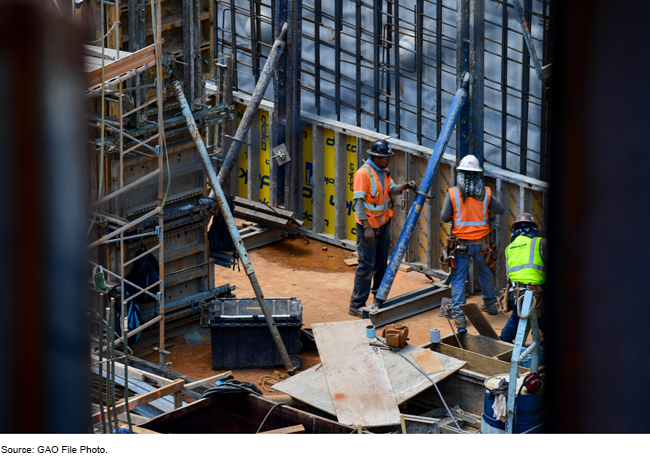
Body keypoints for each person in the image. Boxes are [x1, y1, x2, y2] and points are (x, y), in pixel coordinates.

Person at [348, 140, 415, 317]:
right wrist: (366, 227)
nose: (389, 160)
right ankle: (356, 304)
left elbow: (390, 189)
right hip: (368, 226)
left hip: (382, 225)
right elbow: (359, 203)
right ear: (376, 157)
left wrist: (404, 186)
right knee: (366, 265)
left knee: (380, 263)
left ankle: (378, 298)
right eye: (386, 158)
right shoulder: (363, 174)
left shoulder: (383, 171)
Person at [440, 155, 504, 333]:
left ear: (460, 173)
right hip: (482, 245)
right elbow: (501, 210)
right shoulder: (487, 193)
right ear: (478, 175)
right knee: (485, 274)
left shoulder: (453, 193)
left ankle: (459, 318)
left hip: (461, 245)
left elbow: (444, 217)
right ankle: (491, 306)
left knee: (459, 279)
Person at [499, 213, 547, 343]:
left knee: (516, 318)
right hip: (535, 295)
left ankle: (502, 343)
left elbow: (508, 275)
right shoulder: (540, 242)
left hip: (515, 295)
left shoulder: (509, 248)